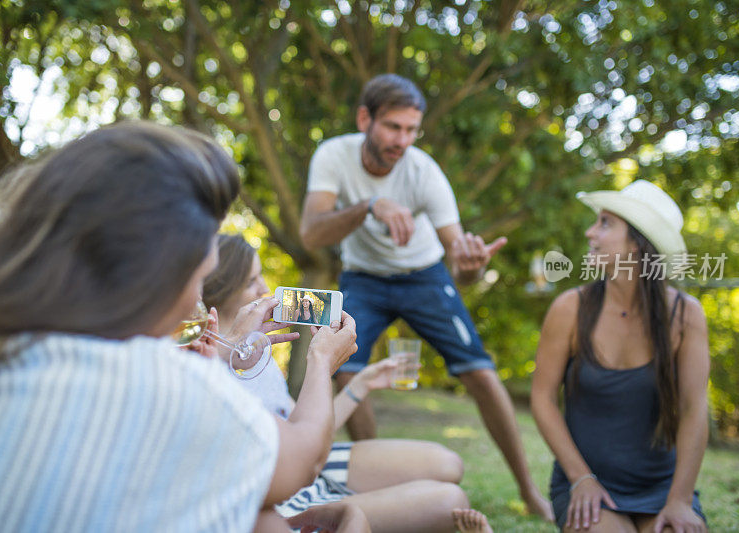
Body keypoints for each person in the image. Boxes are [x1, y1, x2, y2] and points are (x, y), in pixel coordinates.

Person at [0, 122, 362, 533]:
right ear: (157, 275)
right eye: (199, 277)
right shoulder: (164, 383)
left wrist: (225, 354)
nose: (197, 300)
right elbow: (303, 462)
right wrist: (321, 359)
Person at [299, 73, 552, 520]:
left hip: (425, 275)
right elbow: (312, 232)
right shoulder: (333, 156)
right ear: (365, 119)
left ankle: (530, 492)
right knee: (344, 365)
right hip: (364, 277)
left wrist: (470, 269)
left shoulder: (425, 172)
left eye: (412, 129)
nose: (404, 140)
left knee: (481, 371)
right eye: (394, 127)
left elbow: (460, 259)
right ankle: (373, 470)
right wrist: (370, 205)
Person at [202, 234, 474, 533]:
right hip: (284, 485)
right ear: (220, 287)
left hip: (310, 460)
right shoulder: (202, 365)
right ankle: (347, 506)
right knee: (451, 500)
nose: (265, 289)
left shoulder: (255, 347)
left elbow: (306, 426)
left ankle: (365, 499)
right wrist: (321, 361)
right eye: (251, 281)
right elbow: (301, 456)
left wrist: (362, 384)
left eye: (261, 276)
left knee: (450, 465)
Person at [530, 180, 709, 532]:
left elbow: (693, 409)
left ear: (639, 245)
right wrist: (581, 478)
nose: (589, 232)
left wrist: (680, 499)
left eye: (605, 223)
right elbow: (542, 397)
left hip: (664, 488)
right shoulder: (570, 308)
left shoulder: (686, 315)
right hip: (586, 484)